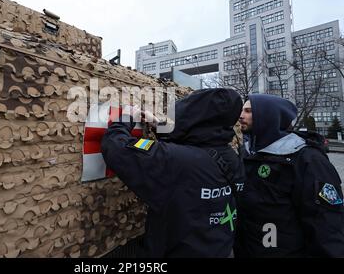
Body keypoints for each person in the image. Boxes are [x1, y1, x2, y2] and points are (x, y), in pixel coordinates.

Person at [101, 88, 244, 257]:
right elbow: (194, 142)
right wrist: (160, 126)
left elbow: (118, 147)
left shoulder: (177, 160)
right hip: (221, 248)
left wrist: (126, 118)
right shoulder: (231, 156)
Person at [235, 94, 344, 257]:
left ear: (268, 117)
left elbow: (327, 225)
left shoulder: (308, 159)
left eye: (249, 111)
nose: (241, 115)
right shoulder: (246, 154)